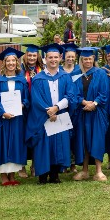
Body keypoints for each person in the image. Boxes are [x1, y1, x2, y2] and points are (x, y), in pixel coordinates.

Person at [28, 43, 74, 184]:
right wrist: (49, 111)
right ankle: (43, 175)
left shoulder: (65, 77)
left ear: (60, 58)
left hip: (59, 115)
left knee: (58, 145)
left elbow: (71, 95)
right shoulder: (38, 78)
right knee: (44, 145)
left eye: (56, 57)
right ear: (45, 59)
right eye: (50, 57)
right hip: (43, 117)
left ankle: (55, 174)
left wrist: (57, 108)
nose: (53, 60)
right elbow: (36, 99)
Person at [0, 47, 28, 187]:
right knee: (2, 144)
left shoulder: (22, 81)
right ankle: (4, 177)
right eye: (8, 61)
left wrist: (22, 105)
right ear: (4, 63)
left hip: (17, 120)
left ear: (17, 63)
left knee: (15, 144)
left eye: (13, 61)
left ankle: (13, 175)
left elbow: (27, 99)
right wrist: (2, 113)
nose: (11, 63)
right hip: (2, 119)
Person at [71, 47, 110, 182]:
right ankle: (85, 171)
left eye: (90, 58)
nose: (88, 61)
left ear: (94, 59)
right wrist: (83, 102)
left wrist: (94, 103)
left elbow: (104, 93)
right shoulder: (76, 74)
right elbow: (72, 93)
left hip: (97, 113)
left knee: (97, 140)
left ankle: (99, 171)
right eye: (85, 59)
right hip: (81, 113)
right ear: (81, 59)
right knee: (83, 141)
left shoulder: (100, 73)